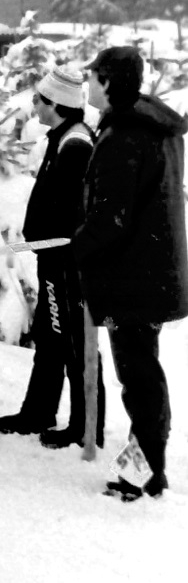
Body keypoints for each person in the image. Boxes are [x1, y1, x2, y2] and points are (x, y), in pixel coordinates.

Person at [74, 46, 188, 501]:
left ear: (108, 82)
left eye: (92, 77)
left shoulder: (126, 136)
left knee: (139, 379)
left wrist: (76, 248)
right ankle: (145, 469)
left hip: (134, 276)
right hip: (151, 270)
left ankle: (143, 475)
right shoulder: (155, 127)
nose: (87, 84)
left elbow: (111, 217)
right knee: (144, 375)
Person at [0, 67, 104, 447]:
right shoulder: (62, 137)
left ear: (56, 104)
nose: (34, 105)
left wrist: (59, 246)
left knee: (73, 339)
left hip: (67, 262)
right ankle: (38, 411)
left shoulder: (75, 144)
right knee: (50, 335)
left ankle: (86, 426)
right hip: (53, 258)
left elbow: (74, 209)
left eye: (39, 99)